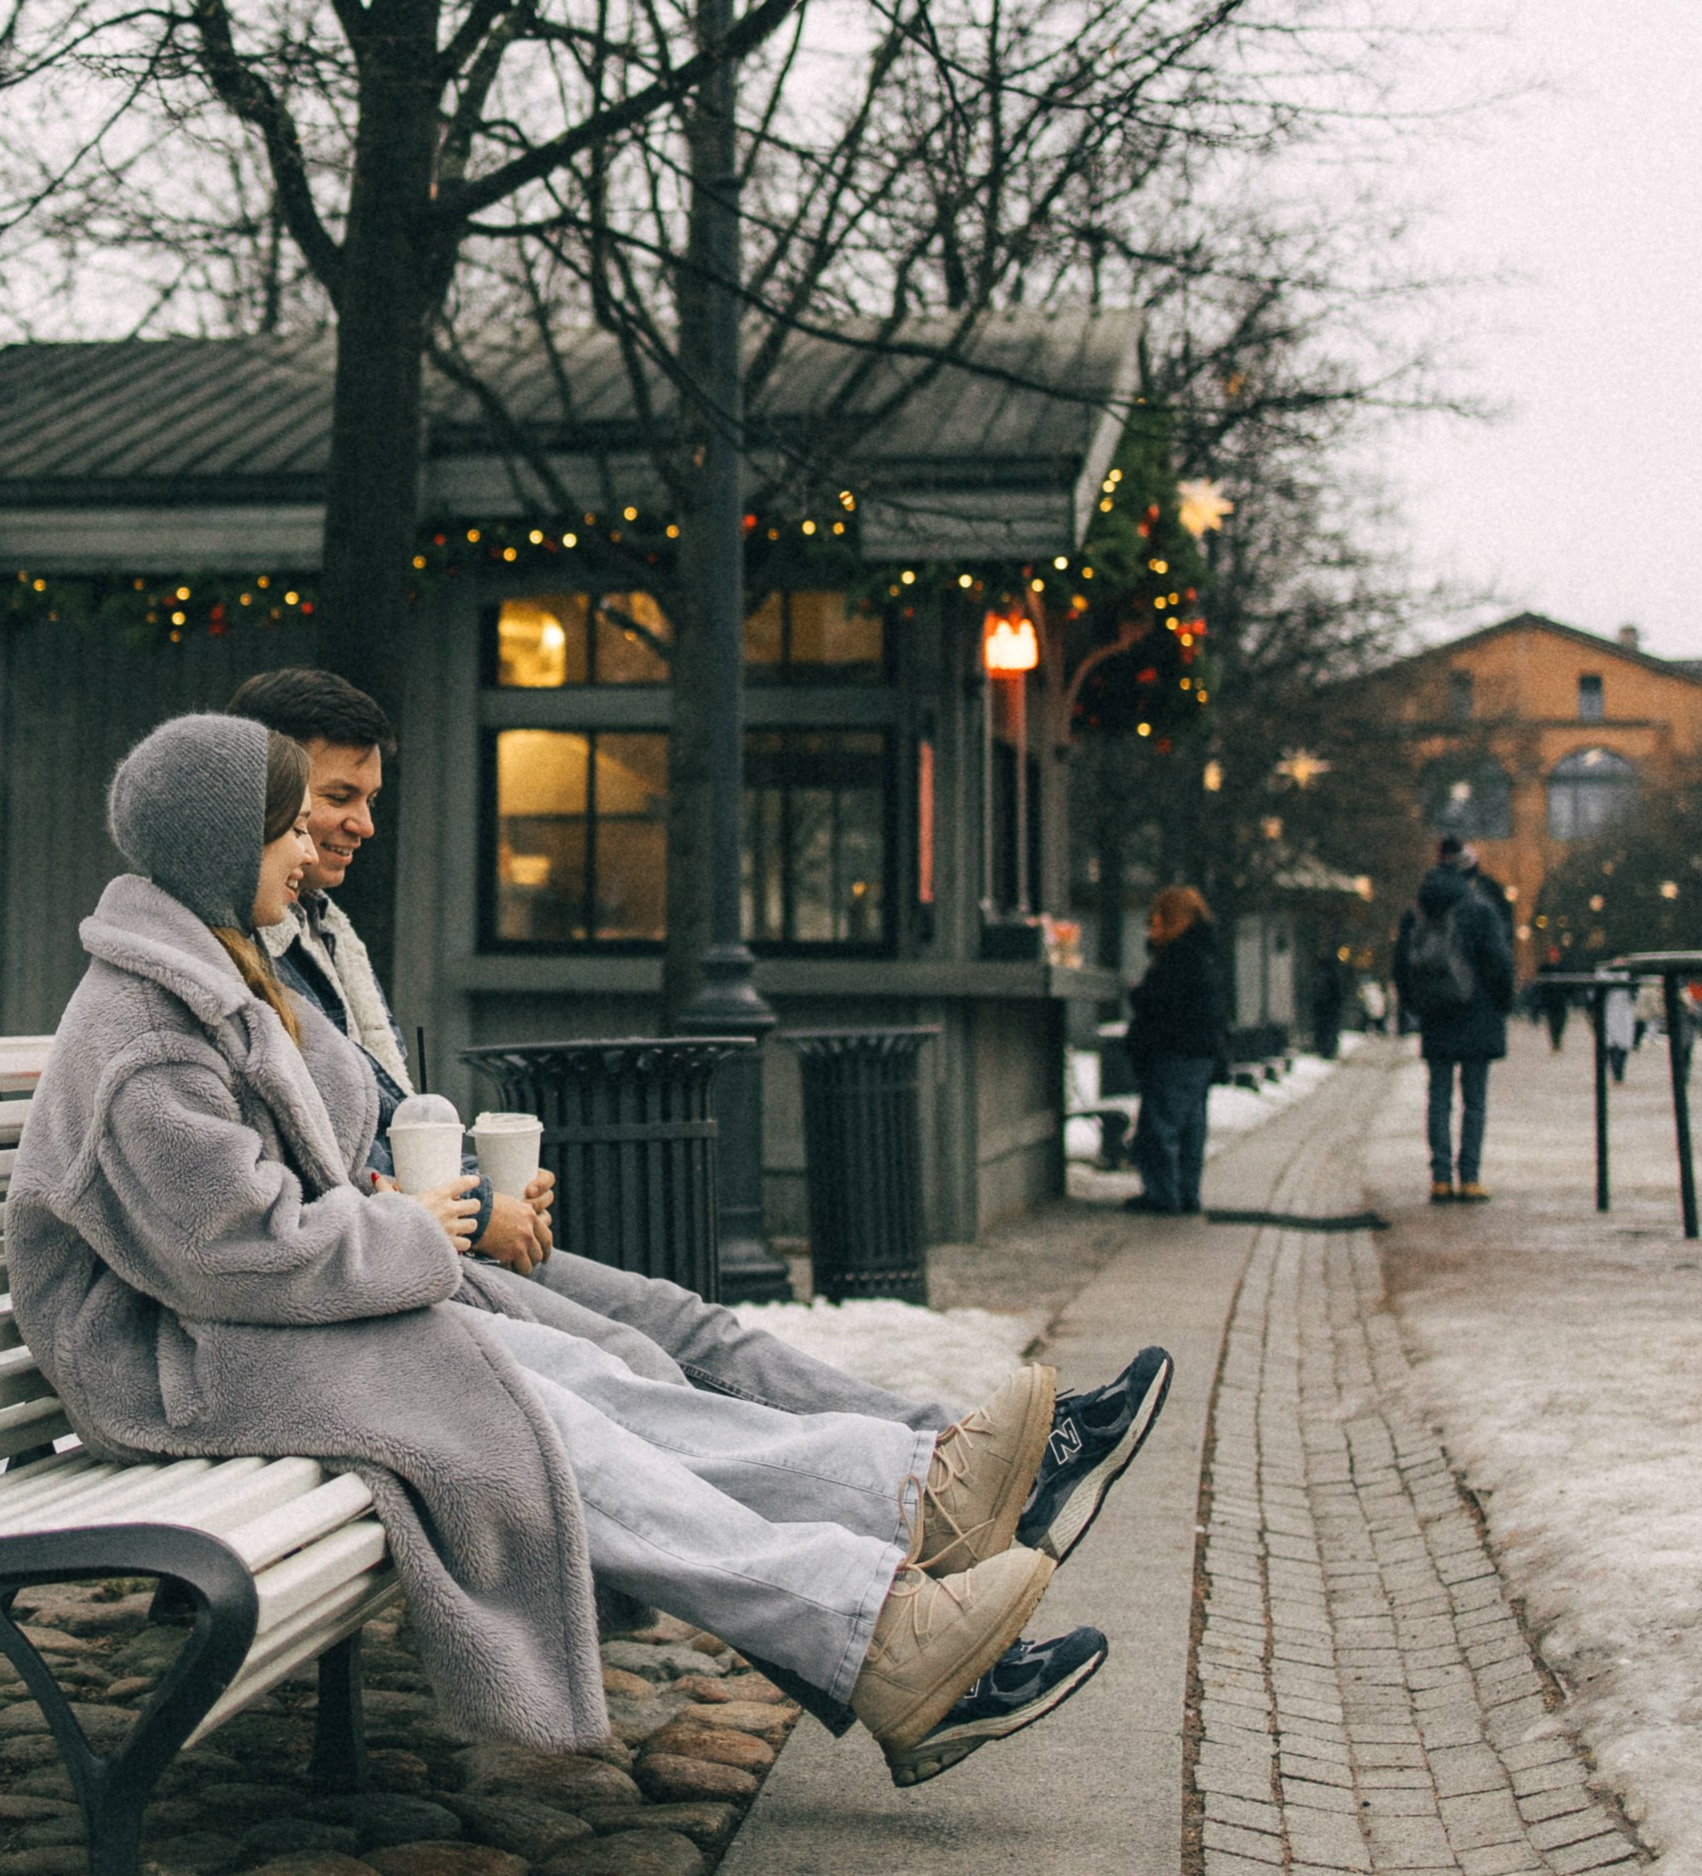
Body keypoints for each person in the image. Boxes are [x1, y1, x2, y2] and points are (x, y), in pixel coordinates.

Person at [7, 709, 1117, 1789]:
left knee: (580, 1372)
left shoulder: (217, 973)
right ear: (218, 844)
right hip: (173, 1369)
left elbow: (288, 1201)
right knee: (527, 1414)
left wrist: (411, 1214)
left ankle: (911, 1500)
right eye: (292, 824)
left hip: (251, 1333)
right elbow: (231, 1252)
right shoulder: (149, 1038)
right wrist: (414, 1227)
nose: (310, 846)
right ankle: (878, 1627)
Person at [225, 665, 1172, 1571]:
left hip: (433, 1247)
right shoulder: (241, 956)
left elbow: (384, 1119)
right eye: (339, 799)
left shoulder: (318, 933)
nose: (360, 825)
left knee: (693, 1324)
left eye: (368, 800)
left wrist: (485, 1180)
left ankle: (978, 1457)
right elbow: (316, 1169)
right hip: (386, 1281)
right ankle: (916, 1521)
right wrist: (465, 1209)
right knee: (640, 1360)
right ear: (263, 791)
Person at [1394, 835, 1516, 1203]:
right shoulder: (1479, 908)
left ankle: (1441, 1178)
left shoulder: (1417, 910)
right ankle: (1470, 1177)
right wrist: (1502, 1003)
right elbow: (1499, 962)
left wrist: (1415, 1005)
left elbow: (1401, 966)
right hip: (1477, 1010)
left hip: (1436, 1011)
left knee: (1439, 1095)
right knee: (1474, 1099)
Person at [1123, 885, 1228, 1216]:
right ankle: (1185, 1192)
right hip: (1199, 1052)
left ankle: (1163, 1194)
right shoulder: (1203, 953)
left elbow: (1160, 1002)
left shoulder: (1179, 957)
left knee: (1161, 1126)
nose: (1152, 926)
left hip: (1177, 1052)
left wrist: (1138, 994)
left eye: (1158, 919)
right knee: (1189, 1127)